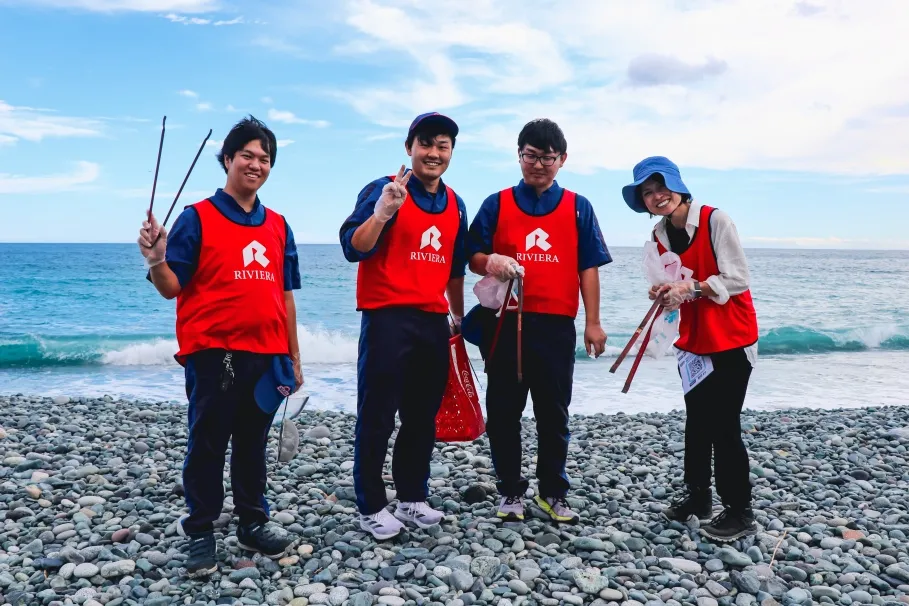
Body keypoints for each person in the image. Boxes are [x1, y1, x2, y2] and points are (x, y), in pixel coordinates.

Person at [137, 116, 302, 576]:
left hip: (267, 354)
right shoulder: (197, 217)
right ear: (227, 159)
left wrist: (293, 355)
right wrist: (155, 259)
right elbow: (171, 287)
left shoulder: (278, 225)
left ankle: (252, 521)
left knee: (253, 443)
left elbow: (285, 295)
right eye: (246, 155)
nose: (256, 164)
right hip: (214, 354)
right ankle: (200, 531)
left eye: (264, 158)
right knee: (207, 444)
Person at [465, 118, 611, 524]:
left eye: (548, 158)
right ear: (519, 156)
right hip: (506, 325)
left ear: (562, 160)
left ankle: (553, 492)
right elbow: (472, 255)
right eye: (531, 156)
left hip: (555, 326)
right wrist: (491, 260)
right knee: (504, 411)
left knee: (554, 413)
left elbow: (589, 268)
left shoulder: (578, 207)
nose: (539, 165)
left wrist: (593, 322)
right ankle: (510, 491)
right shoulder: (497, 203)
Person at [339, 112, 468, 540]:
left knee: (421, 417)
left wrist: (459, 317)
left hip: (432, 321)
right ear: (409, 147)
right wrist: (381, 213)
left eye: (443, 145)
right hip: (387, 316)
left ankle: (412, 496)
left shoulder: (455, 204)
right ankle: (371, 505)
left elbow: (453, 267)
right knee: (376, 416)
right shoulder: (385, 188)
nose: (434, 153)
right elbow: (353, 248)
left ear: (451, 151)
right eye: (425, 143)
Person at [621, 156, 759, 542]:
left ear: (678, 186)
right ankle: (698, 497)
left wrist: (692, 288)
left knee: (724, 424)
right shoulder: (658, 236)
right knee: (697, 421)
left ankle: (739, 510)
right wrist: (664, 290)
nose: (656, 196)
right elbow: (671, 282)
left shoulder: (716, 220)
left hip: (732, 336)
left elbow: (738, 278)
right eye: (647, 193)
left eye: (660, 187)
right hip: (693, 340)